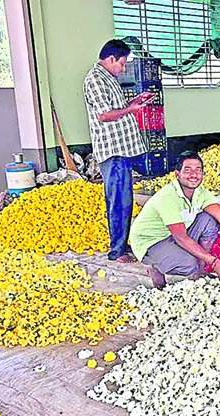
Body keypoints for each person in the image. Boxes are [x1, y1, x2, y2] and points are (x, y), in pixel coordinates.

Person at [129, 151, 220, 288]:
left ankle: (200, 272)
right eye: (187, 170)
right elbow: (181, 237)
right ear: (177, 174)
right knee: (189, 264)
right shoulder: (168, 197)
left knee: (208, 219)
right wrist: (214, 262)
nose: (194, 175)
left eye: (198, 170)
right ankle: (155, 267)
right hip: (151, 242)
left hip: (173, 235)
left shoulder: (201, 193)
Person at [83, 39, 154, 263]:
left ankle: (123, 245)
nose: (124, 69)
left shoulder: (109, 78)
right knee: (118, 201)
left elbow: (116, 109)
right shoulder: (95, 79)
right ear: (111, 59)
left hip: (121, 149)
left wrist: (135, 101)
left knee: (125, 199)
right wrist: (132, 109)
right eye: (122, 64)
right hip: (111, 150)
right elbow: (104, 116)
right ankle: (117, 251)